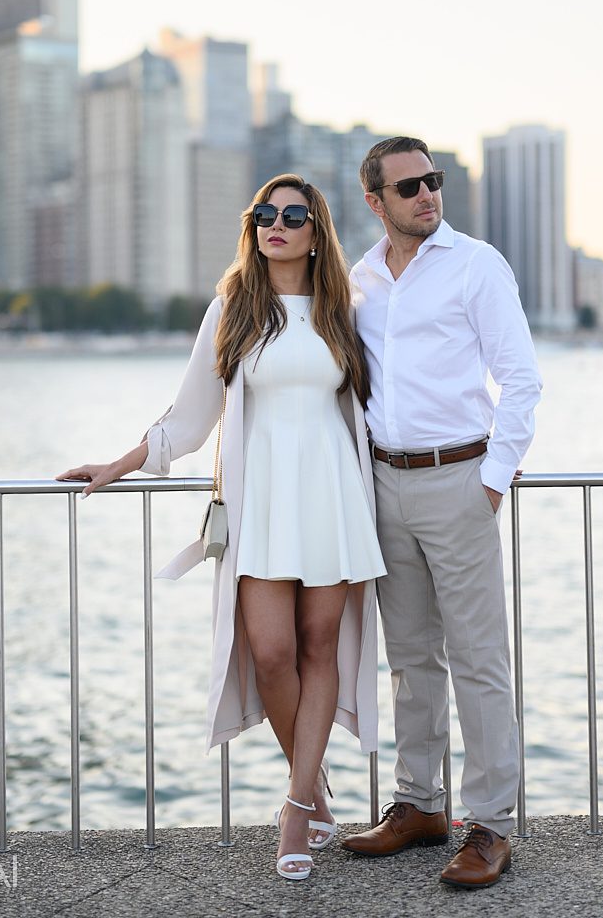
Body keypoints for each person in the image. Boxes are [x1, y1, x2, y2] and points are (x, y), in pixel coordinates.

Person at [58, 175, 387, 882]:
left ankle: (297, 809)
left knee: (318, 644)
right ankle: (315, 786)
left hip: (330, 498)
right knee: (269, 653)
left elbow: (382, 406)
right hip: (260, 503)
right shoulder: (233, 306)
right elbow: (190, 414)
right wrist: (118, 463)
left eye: (292, 215)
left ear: (314, 229)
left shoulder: (342, 310)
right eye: (264, 213)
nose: (276, 223)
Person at [341, 136, 542, 889]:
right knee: (409, 659)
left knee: (478, 661)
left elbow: (521, 381)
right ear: (375, 201)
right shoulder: (358, 278)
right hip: (383, 485)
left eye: (433, 181)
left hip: (459, 478)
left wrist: (489, 484)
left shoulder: (475, 263)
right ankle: (420, 806)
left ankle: (489, 823)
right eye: (408, 187)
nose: (426, 195)